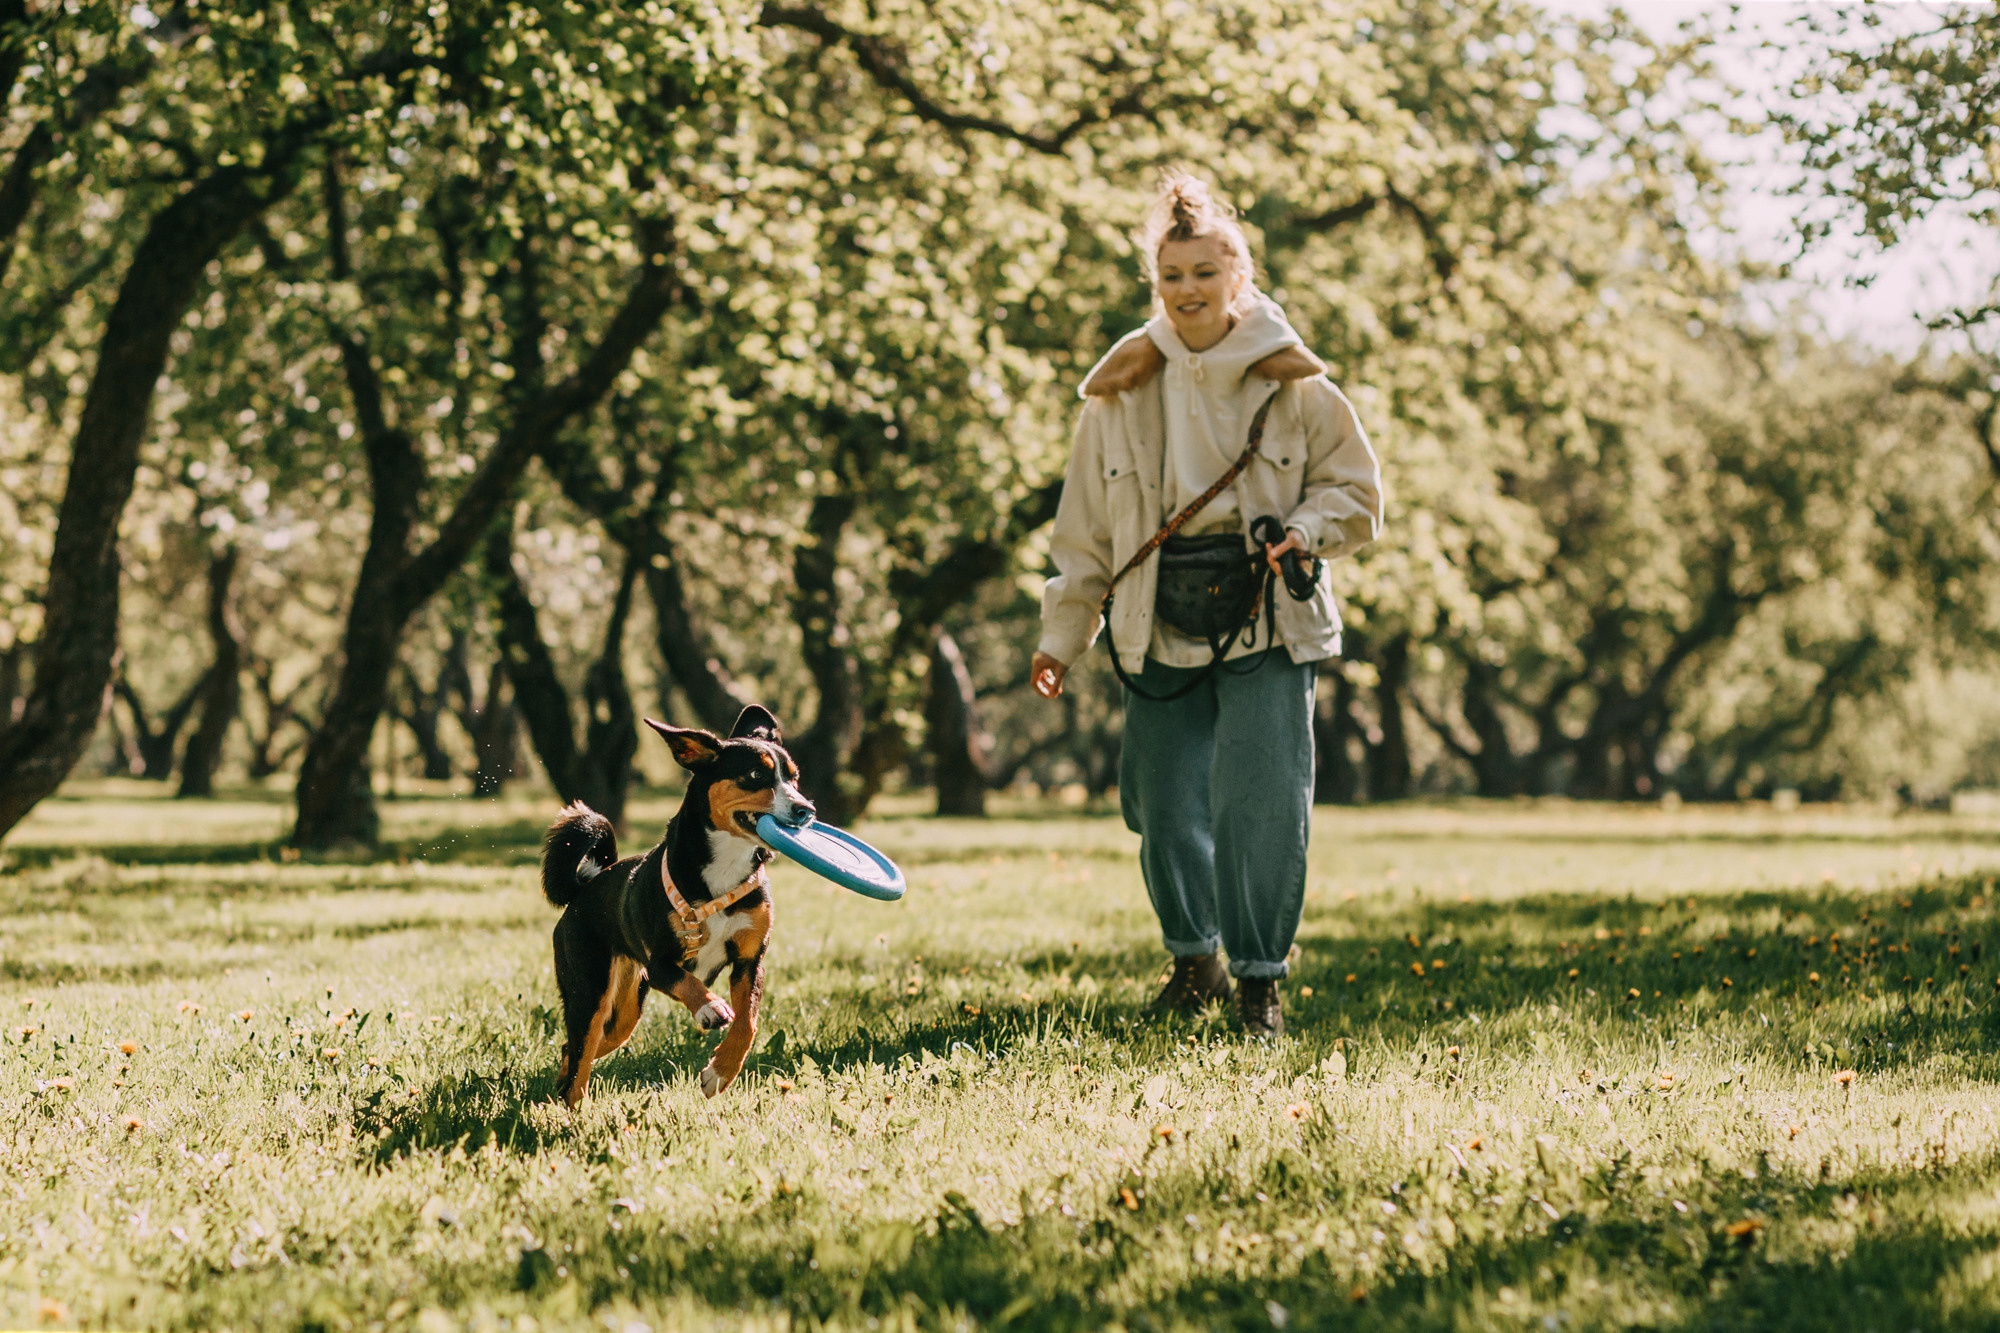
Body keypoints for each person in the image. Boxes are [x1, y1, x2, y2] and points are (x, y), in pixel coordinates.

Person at [1030, 171, 1383, 1036]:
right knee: (1159, 801)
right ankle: (1197, 961)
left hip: (1267, 606)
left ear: (1239, 276)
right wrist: (1061, 637)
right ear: (1157, 283)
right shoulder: (1117, 390)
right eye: (1171, 276)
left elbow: (1358, 493)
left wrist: (1303, 530)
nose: (1187, 290)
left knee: (1261, 800)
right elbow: (1082, 531)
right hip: (1157, 607)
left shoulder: (1295, 382)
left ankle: (1259, 979)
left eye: (1203, 273)